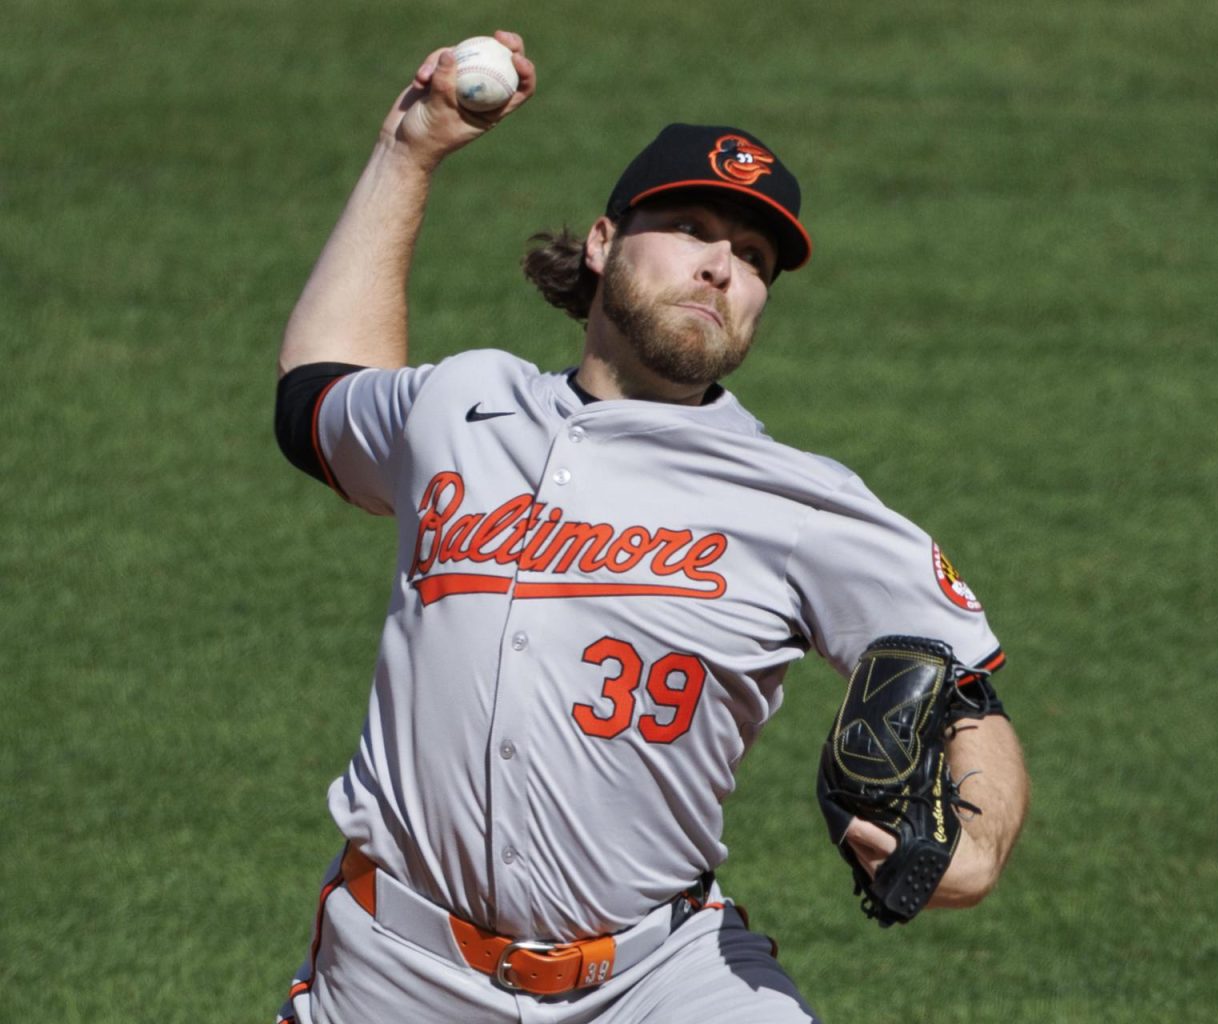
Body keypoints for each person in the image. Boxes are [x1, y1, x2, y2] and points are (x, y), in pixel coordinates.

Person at [271, 30, 1028, 1024]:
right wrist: (408, 150)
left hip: (659, 978)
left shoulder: (797, 499)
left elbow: (964, 689)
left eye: (754, 257)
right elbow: (316, 398)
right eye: (690, 227)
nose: (721, 266)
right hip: (394, 970)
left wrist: (973, 849)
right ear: (602, 242)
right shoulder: (461, 406)